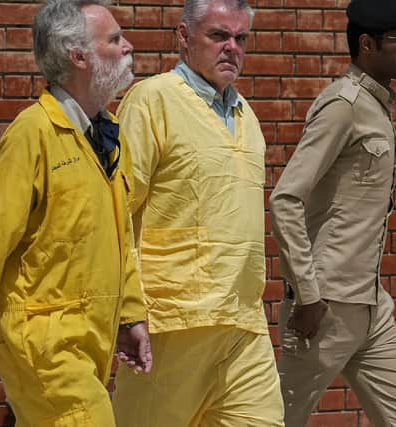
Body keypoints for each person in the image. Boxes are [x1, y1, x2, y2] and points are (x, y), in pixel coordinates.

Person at [0, 1, 152, 425]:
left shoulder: (108, 137)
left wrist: (130, 315)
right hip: (45, 344)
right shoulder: (33, 133)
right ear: (77, 56)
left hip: (88, 342)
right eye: (115, 39)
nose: (128, 46)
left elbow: (120, 238)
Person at [111, 0, 284, 425]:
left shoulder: (248, 117)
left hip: (244, 324)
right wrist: (127, 310)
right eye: (218, 36)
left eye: (240, 38)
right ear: (184, 37)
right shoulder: (152, 101)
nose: (232, 48)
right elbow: (116, 213)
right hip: (172, 322)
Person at [269, 0, 396, 425]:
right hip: (324, 311)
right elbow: (285, 198)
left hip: (372, 307)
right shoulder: (343, 105)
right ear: (366, 44)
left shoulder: (376, 106)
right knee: (278, 420)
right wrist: (308, 294)